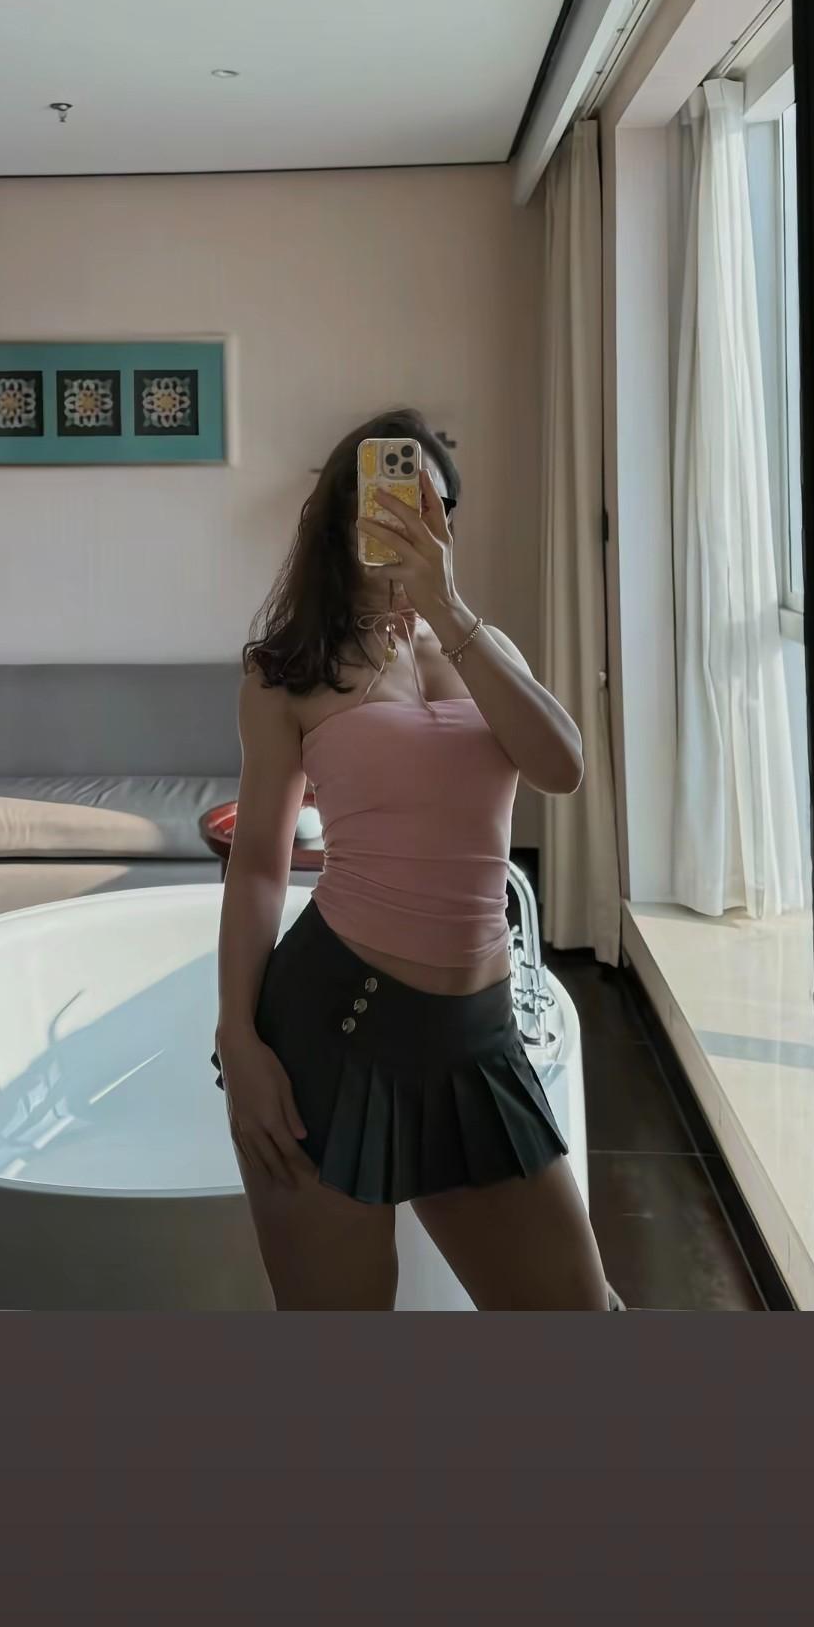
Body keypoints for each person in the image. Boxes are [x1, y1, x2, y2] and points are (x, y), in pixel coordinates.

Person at [214, 407, 615, 1312]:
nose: (407, 518)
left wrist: (449, 610)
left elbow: (563, 769)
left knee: (579, 1317)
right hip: (329, 1031)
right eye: (385, 499)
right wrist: (238, 1038)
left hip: (477, 1040)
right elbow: (262, 868)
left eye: (429, 503)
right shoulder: (286, 672)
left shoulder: (482, 648)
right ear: (340, 519)